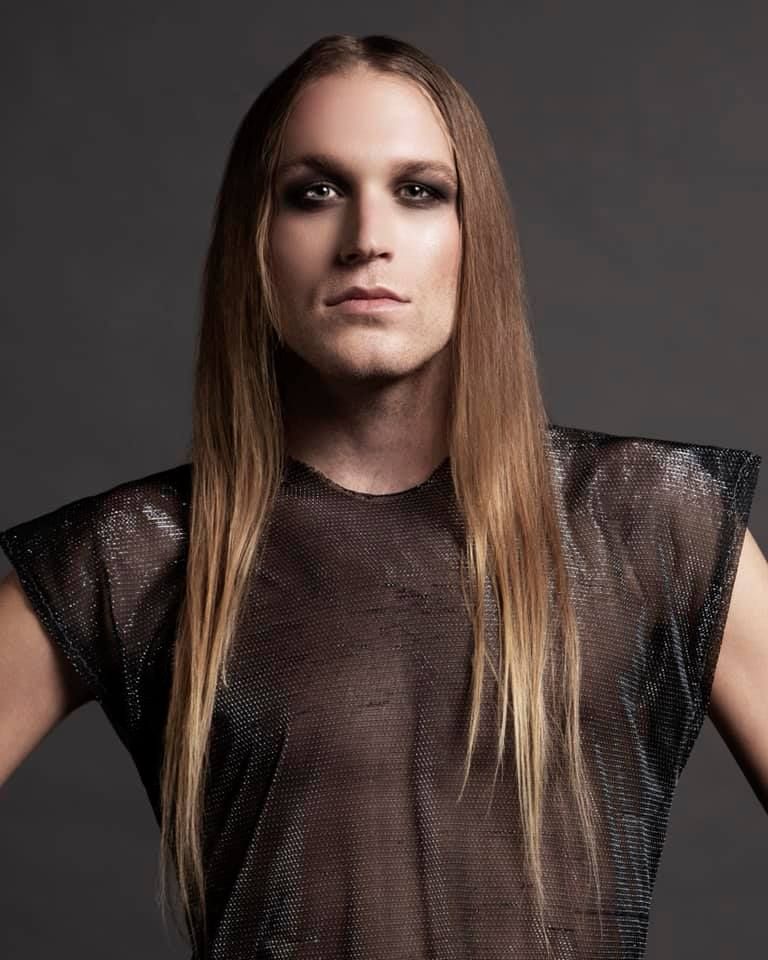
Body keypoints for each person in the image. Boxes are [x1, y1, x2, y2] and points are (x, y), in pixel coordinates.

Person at [0, 32, 765, 960]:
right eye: (315, 192)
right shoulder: (141, 554)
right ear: (255, 240)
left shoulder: (651, 520)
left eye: (418, 191)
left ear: (472, 232)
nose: (367, 239)